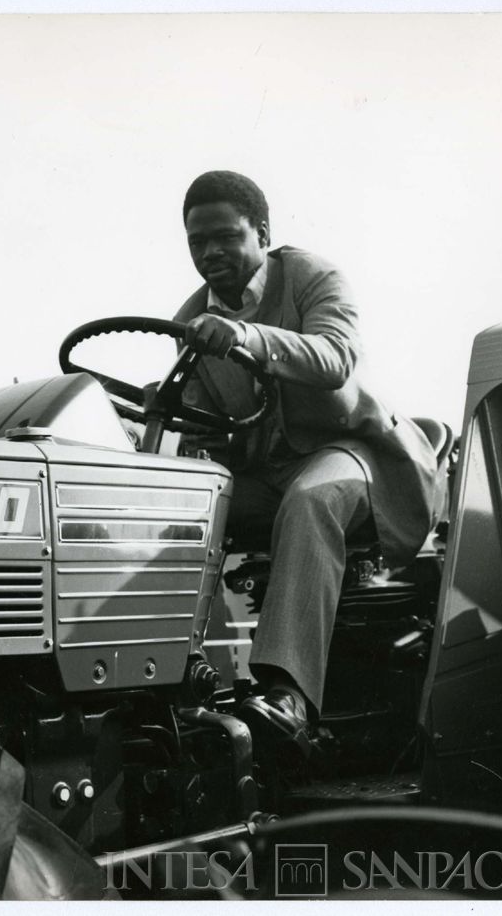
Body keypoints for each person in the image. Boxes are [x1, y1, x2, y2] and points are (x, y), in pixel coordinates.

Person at [173, 170, 445, 753]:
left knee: (312, 500)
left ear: (262, 233)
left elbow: (334, 359)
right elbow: (209, 423)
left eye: (225, 236)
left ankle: (288, 695)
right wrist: (167, 408)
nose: (210, 252)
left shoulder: (312, 278)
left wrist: (248, 337)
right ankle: (167, 682)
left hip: (354, 454)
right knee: (182, 509)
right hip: (264, 470)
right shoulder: (191, 318)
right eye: (197, 242)